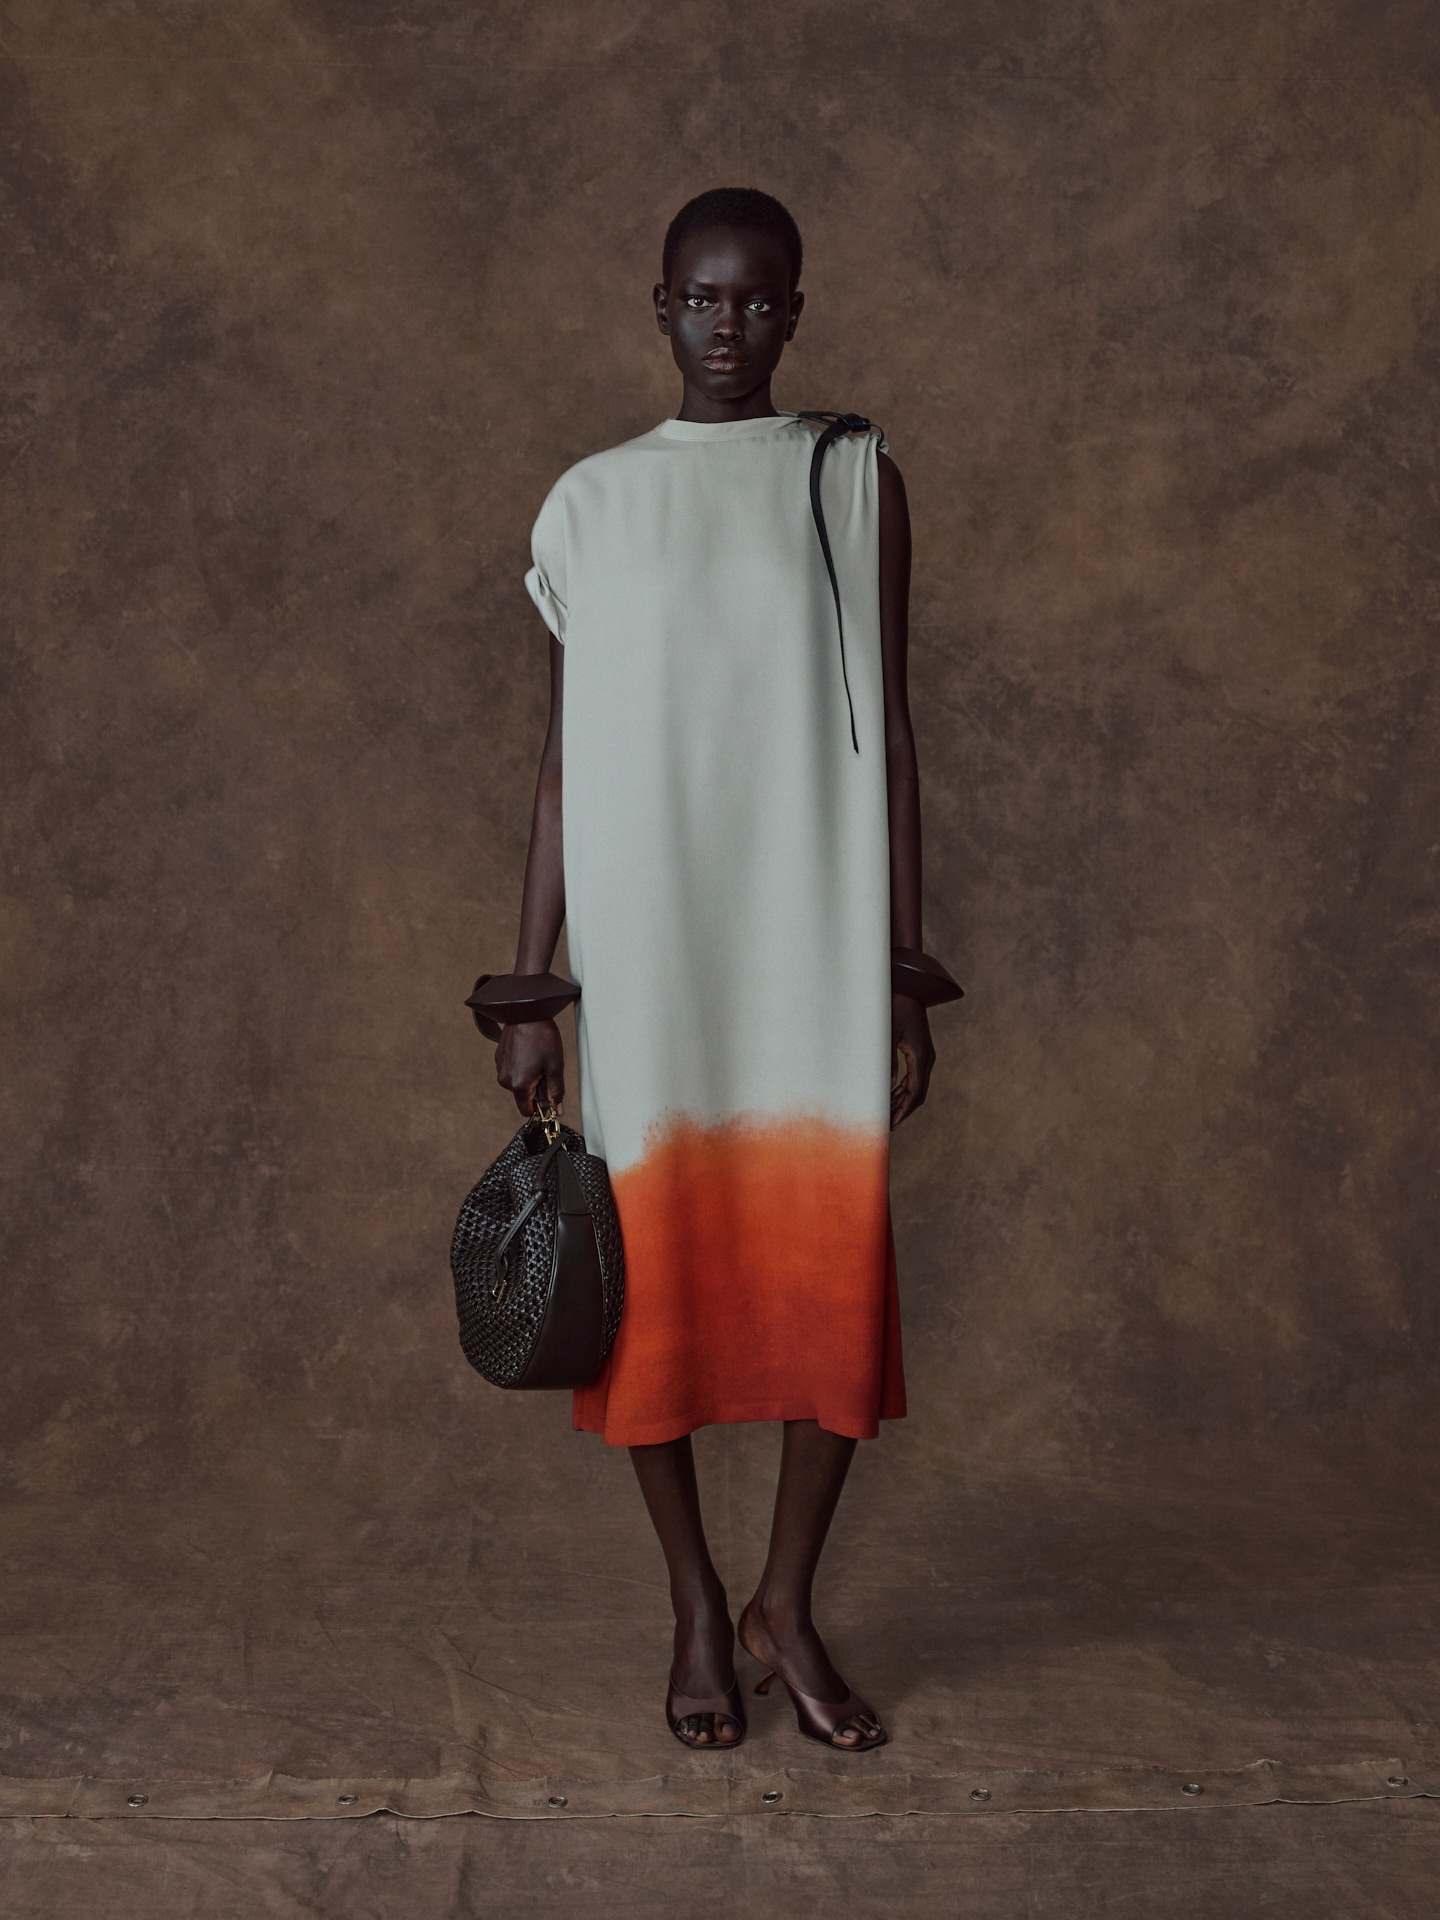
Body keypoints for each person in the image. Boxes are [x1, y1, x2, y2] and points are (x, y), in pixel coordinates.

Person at [491, 187, 948, 1753]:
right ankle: (696, 1604)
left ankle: (784, 1604)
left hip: (810, 931)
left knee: (832, 1280)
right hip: (651, 944)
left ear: (797, 314)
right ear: (661, 306)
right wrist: (532, 987)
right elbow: (562, 765)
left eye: (759, 302)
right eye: (703, 298)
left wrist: (902, 971)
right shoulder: (591, 503)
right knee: (653, 1285)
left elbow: (897, 737)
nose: (730, 327)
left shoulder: (855, 480)